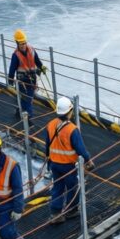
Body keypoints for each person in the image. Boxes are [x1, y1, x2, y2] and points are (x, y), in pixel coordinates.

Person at [45, 96, 93, 224]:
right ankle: (72, 210)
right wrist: (89, 160)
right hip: (67, 166)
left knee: (58, 187)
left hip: (54, 163)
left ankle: (55, 214)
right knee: (72, 187)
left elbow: (47, 145)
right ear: (69, 112)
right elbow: (81, 149)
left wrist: (48, 159)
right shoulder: (72, 129)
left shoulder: (50, 125)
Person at [8, 29, 45, 119]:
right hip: (22, 82)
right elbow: (12, 69)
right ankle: (29, 119)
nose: (23, 45)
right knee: (27, 100)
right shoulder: (16, 55)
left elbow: (37, 60)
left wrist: (42, 67)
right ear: (17, 43)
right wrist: (10, 81)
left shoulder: (31, 50)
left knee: (27, 99)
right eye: (21, 43)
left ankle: (19, 111)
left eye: (24, 43)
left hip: (32, 80)